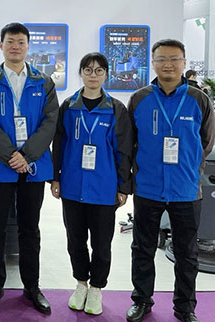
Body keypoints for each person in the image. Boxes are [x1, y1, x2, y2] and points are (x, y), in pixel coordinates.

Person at [126, 39, 215, 322]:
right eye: (162, 59)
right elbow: (130, 143)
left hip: (186, 189)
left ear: (184, 63)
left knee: (187, 253)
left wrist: (189, 169)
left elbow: (206, 142)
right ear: (153, 63)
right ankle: (141, 300)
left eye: (174, 59)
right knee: (142, 249)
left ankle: (185, 307)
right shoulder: (139, 99)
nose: (168, 64)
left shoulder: (199, 99)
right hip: (148, 187)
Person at [0, 22, 58, 313]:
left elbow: (50, 121)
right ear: (1, 45)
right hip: (1, 167)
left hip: (33, 167)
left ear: (28, 46)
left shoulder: (43, 82)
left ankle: (32, 286)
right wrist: (12, 155)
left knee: (29, 229)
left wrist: (27, 155)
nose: (15, 46)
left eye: (21, 42)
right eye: (10, 41)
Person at [50, 52, 133, 315]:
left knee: (101, 243)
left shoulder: (116, 109)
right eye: (88, 70)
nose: (93, 75)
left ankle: (97, 287)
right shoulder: (69, 107)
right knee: (75, 240)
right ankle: (81, 284)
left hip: (104, 188)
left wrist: (123, 186)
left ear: (106, 74)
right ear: (81, 73)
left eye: (98, 70)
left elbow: (123, 150)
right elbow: (59, 144)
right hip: (72, 186)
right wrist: (55, 177)